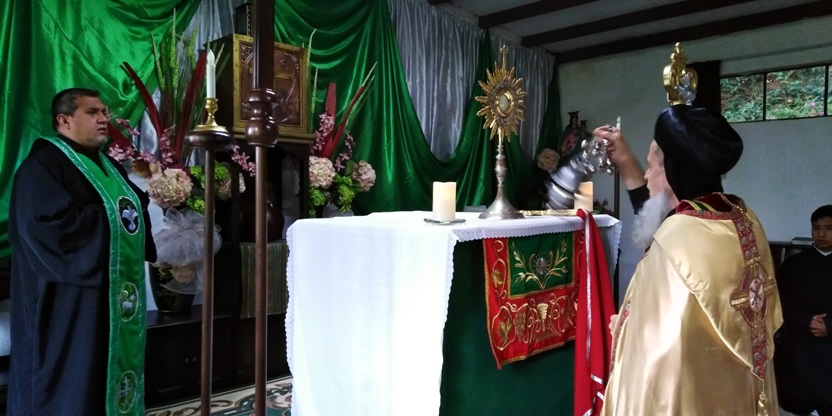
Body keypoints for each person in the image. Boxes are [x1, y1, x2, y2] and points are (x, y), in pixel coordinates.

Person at [593, 102, 783, 415]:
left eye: (651, 166)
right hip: (734, 389)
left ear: (671, 171)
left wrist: (623, 330)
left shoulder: (676, 240)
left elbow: (656, 350)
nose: (647, 175)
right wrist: (625, 160)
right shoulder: (743, 218)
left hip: (688, 395)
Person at [7, 88, 156, 415]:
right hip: (65, 297)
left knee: (102, 369)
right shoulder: (42, 165)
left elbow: (133, 206)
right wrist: (110, 218)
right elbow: (45, 227)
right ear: (64, 120)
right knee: (72, 378)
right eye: (92, 112)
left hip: (107, 294)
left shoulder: (108, 165)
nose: (104, 119)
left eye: (104, 112)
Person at [773, 205, 832, 416]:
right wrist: (806, 320)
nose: (821, 234)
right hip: (800, 344)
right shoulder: (795, 263)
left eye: (828, 228)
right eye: (816, 228)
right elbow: (778, 300)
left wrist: (829, 326)